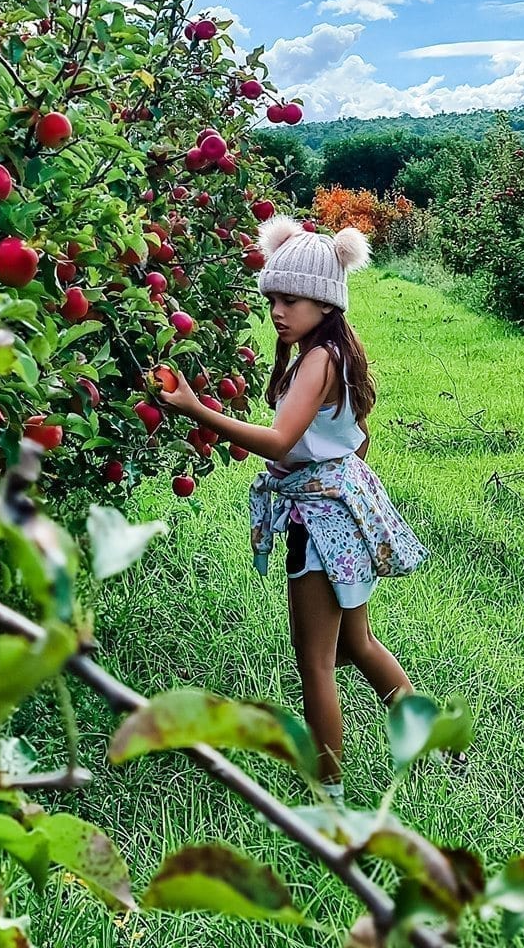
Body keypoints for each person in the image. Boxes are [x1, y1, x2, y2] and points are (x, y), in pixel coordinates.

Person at [161, 214, 425, 798]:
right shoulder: (336, 352)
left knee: (317, 663)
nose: (279, 311)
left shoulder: (317, 360)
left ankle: (327, 792)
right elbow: (354, 440)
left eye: (293, 300)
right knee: (357, 643)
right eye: (274, 298)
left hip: (322, 526)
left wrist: (194, 409)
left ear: (325, 302)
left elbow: (280, 441)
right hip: (346, 515)